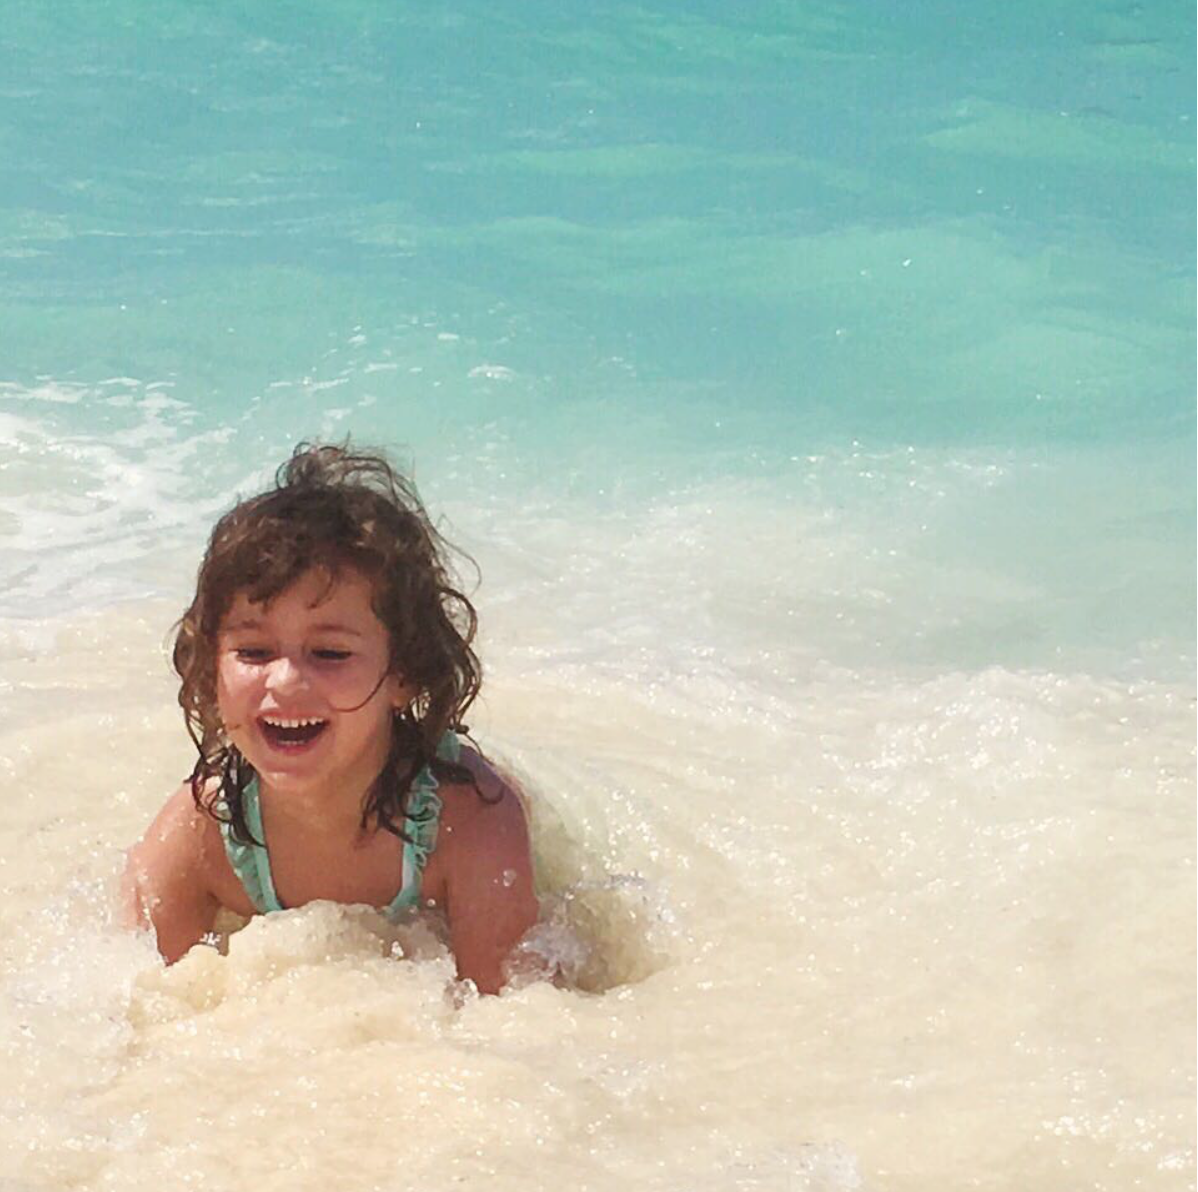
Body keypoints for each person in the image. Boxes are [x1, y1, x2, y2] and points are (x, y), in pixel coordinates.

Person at [124, 442, 538, 994]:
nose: (284, 682)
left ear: (404, 675)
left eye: (330, 653)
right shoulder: (200, 833)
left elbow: (512, 1011)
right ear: (210, 668)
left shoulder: (467, 823)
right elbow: (137, 1001)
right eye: (253, 652)